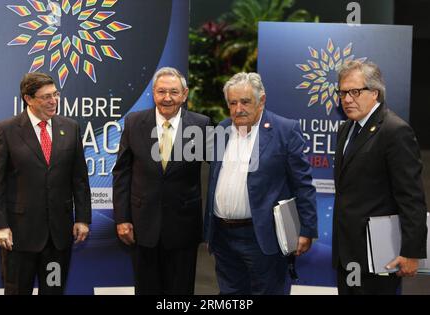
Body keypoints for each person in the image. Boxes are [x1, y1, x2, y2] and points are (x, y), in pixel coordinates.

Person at [204, 72, 318, 295]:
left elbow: (303, 184)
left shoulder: (285, 130)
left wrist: (307, 230)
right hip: (223, 237)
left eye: (245, 102)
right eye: (233, 103)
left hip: (262, 238)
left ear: (261, 100)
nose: (239, 109)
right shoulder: (222, 130)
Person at [0, 72, 91, 295]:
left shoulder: (70, 128)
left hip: (58, 238)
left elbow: (79, 179)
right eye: (46, 97)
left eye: (55, 95)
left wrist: (82, 218)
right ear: (28, 99)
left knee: (53, 290)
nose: (53, 101)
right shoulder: (6, 130)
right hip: (19, 237)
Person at [112, 67, 210, 295]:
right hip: (142, 227)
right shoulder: (134, 122)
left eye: (174, 92)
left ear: (184, 94)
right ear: (153, 93)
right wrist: (122, 218)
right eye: (161, 91)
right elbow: (122, 173)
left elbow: (218, 170)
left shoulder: (202, 125)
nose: (167, 98)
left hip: (183, 229)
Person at [332, 60, 428, 295]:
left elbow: (411, 197)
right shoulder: (346, 128)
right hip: (347, 252)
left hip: (378, 256)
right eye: (342, 92)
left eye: (354, 92)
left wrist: (412, 252)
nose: (346, 99)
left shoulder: (395, 131)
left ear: (374, 93)